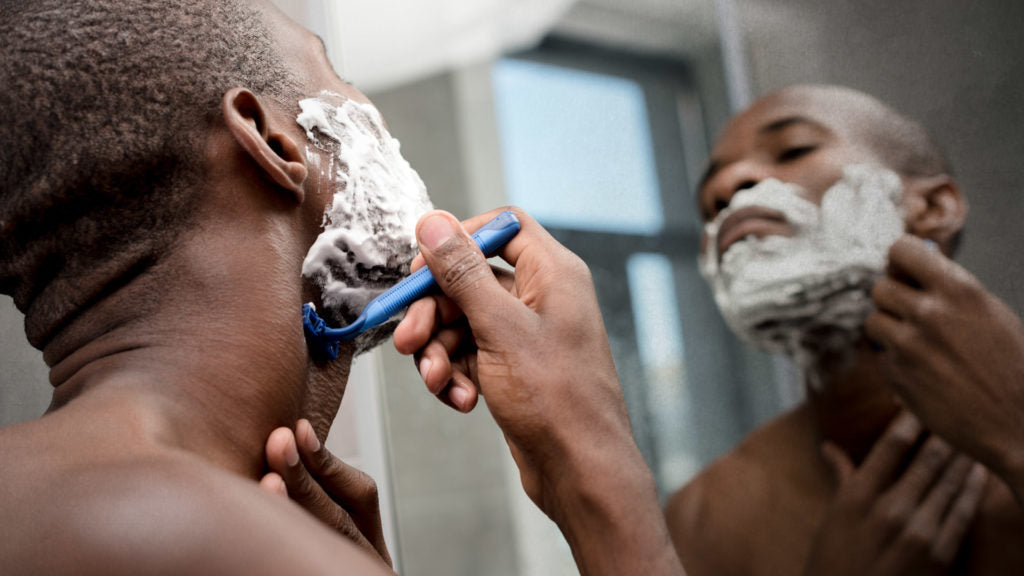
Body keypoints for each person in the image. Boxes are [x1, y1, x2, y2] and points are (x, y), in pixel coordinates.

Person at [0, 1, 682, 574]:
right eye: (335, 74)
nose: (369, 105)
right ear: (273, 141)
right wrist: (596, 464)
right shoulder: (218, 544)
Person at [661, 84, 1024, 575]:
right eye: (710, 203)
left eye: (794, 149)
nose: (726, 186)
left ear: (934, 209)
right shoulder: (702, 521)